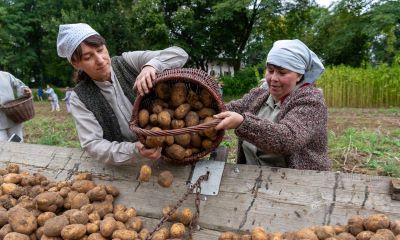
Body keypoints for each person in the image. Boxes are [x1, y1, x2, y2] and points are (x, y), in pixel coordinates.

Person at [56, 23, 188, 165]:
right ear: (76, 64)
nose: (100, 60)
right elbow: (93, 144)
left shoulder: (127, 62)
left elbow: (179, 54)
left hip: (171, 154)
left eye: (100, 50)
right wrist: (134, 149)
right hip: (130, 165)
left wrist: (151, 66)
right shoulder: (80, 97)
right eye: (88, 57)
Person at [214, 39, 330, 171]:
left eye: (282, 73)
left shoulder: (311, 101)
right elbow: (228, 109)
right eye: (270, 70)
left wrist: (242, 123)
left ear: (299, 75)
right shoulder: (260, 94)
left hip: (297, 185)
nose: (273, 78)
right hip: (250, 182)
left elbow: (287, 139)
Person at [0, 71, 32, 142]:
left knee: (18, 143)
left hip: (13, 117)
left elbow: (19, 85)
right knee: (2, 148)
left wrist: (24, 90)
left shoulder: (5, 75)